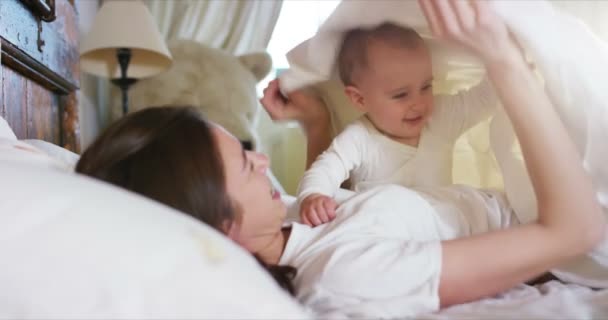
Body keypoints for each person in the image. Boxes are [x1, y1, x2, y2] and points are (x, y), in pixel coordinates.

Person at [76, 0, 605, 318]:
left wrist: (314, 125)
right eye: (244, 164)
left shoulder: (279, 225)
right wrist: (503, 59)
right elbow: (575, 231)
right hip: (548, 228)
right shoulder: (345, 276)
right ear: (220, 224)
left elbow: (325, 205)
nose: (262, 162)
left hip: (491, 205)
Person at [294, 22, 498, 227]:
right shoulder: (359, 137)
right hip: (383, 230)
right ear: (359, 99)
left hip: (440, 230)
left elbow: (484, 99)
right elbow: (325, 169)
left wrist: (498, 55)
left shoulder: (440, 116)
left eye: (426, 86)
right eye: (401, 95)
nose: (418, 103)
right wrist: (314, 195)